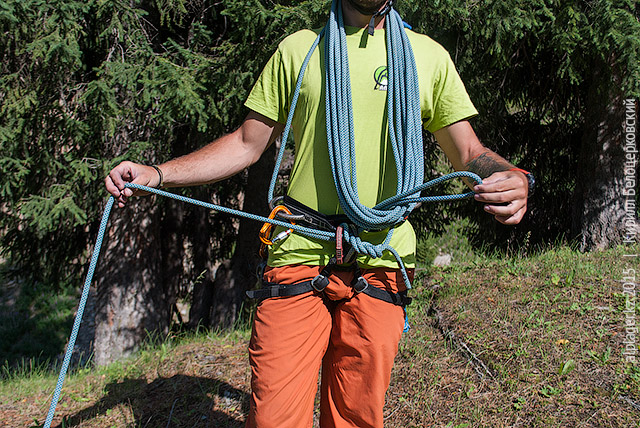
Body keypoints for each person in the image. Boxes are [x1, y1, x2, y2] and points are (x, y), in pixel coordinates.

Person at [105, 0, 532, 427]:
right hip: (300, 247)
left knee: (356, 419)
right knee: (273, 419)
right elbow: (246, 144)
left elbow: (469, 152)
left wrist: (506, 176)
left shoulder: (428, 57)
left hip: (382, 253)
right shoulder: (301, 49)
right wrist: (158, 174)